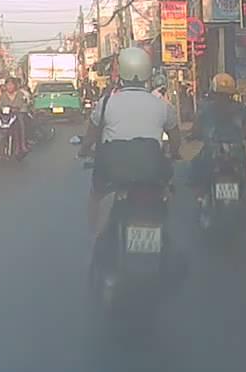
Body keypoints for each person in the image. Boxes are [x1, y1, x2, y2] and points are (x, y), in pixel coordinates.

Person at [78, 47, 181, 236]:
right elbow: (175, 138)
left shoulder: (106, 103)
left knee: (96, 195)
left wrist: (83, 150)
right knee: (168, 191)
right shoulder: (161, 104)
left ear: (122, 72)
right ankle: (169, 231)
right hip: (152, 171)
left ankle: (96, 236)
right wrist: (173, 153)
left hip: (113, 172)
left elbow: (90, 136)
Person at [191, 73, 246, 191]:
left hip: (213, 149)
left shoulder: (206, 108)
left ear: (213, 92)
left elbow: (197, 127)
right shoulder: (239, 108)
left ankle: (201, 195)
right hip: (235, 149)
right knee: (245, 167)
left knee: (196, 168)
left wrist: (193, 135)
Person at [0, 77, 32, 157]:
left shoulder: (20, 94)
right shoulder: (3, 95)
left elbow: (24, 105)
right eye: (8, 85)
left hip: (17, 115)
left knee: (20, 121)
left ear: (15, 86)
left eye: (11, 85)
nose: (9, 87)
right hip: (5, 116)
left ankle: (22, 145)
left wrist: (18, 109)